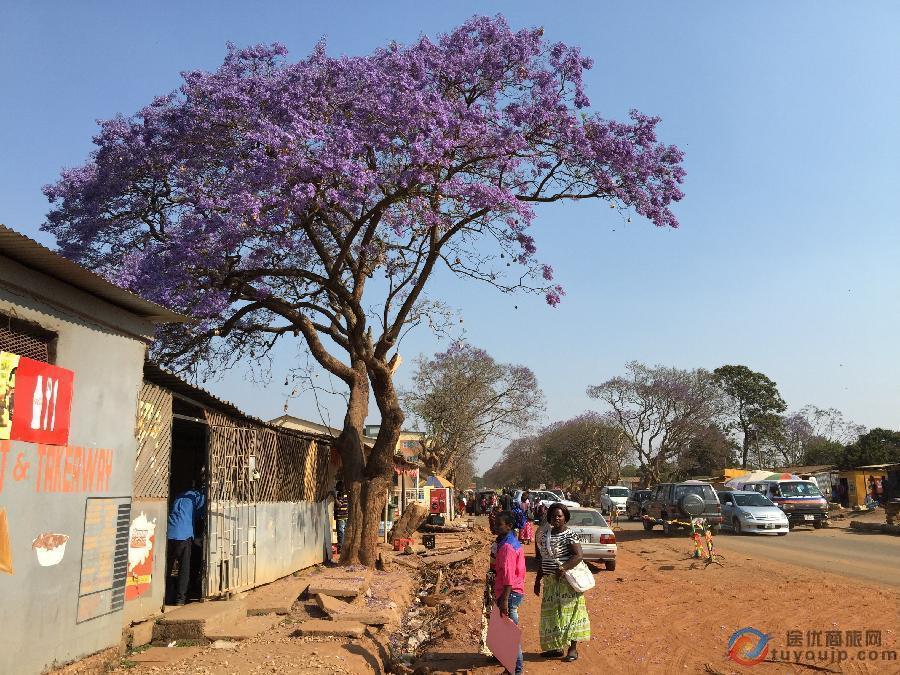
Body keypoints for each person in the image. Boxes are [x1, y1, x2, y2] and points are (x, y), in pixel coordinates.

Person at [534, 503, 591, 662]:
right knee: (552, 615)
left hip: (567, 582)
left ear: (565, 517)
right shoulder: (545, 535)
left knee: (571, 614)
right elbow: (544, 559)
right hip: (550, 581)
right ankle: (556, 647)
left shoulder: (569, 534)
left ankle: (572, 649)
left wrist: (563, 568)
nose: (556, 518)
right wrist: (538, 579)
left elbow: (578, 555)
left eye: (559, 516)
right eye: (553, 516)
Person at [493, 512, 526, 675]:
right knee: (507, 635)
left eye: (499, 524)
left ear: (509, 526)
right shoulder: (508, 542)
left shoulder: (507, 547)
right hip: (510, 592)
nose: (495, 527)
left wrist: (504, 600)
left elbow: (508, 577)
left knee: (511, 637)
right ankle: (509, 668)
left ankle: (516, 671)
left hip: (509, 594)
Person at [166, 484, 206, 606]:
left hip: (170, 534)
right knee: (184, 569)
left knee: (167, 569)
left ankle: (166, 596)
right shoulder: (197, 497)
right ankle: (180, 599)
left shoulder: (179, 497)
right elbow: (203, 512)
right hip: (184, 535)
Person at [334, 481, 349, 552]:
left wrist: (334, 497)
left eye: (337, 487)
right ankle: (343, 547)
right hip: (345, 516)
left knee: (340, 532)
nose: (336, 488)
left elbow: (339, 504)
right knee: (343, 532)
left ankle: (340, 547)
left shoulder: (340, 495)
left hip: (341, 516)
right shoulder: (346, 494)